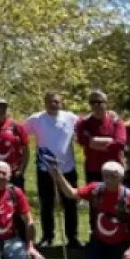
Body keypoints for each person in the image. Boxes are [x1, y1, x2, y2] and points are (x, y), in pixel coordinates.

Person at [50, 159, 130, 259]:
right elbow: (71, 194)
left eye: (113, 176)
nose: (108, 179)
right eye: (105, 175)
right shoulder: (95, 189)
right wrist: (58, 176)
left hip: (122, 243)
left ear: (121, 178)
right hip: (100, 241)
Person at [24, 91, 80, 249]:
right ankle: (48, 236)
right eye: (50, 101)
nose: (53, 104)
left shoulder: (71, 118)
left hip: (67, 168)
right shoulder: (36, 119)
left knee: (70, 203)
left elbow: (87, 125)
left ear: (61, 103)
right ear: (45, 102)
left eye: (56, 101)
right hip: (45, 169)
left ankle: (73, 238)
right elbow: (20, 133)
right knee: (46, 204)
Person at [74, 90, 128, 235]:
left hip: (115, 169)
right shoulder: (83, 123)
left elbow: (120, 142)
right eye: (92, 102)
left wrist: (94, 142)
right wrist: (108, 141)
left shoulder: (116, 122)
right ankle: (95, 232)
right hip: (94, 168)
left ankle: (119, 230)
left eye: (100, 102)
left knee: (118, 200)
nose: (96, 106)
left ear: (106, 104)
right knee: (95, 201)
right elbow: (81, 140)